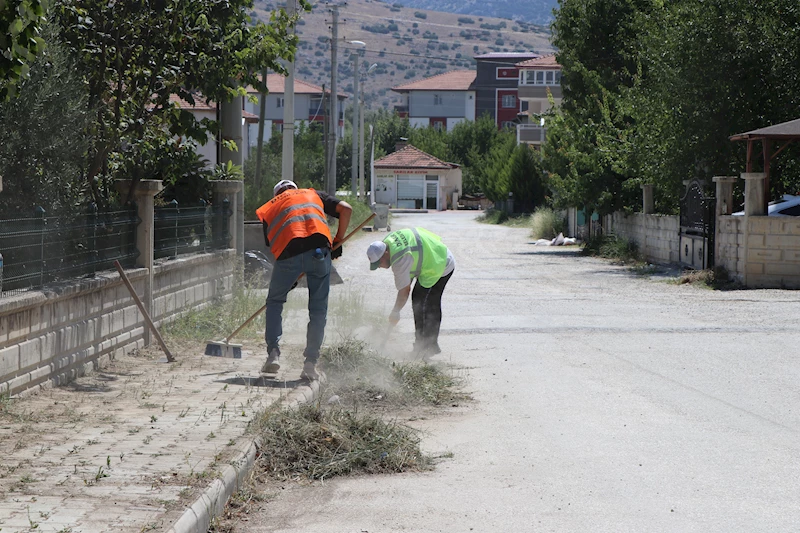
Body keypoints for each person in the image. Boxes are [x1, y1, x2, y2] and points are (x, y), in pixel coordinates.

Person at [256, 179, 352, 380]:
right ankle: (310, 365)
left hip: (288, 255)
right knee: (318, 311)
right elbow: (346, 209)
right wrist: (338, 240)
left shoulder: (271, 207)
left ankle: (273, 354)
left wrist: (288, 278)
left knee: (275, 302)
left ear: (277, 194)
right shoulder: (313, 194)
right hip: (319, 252)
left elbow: (276, 245)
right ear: (295, 188)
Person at [366, 227, 454, 357]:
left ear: (385, 254)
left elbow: (404, 291)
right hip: (433, 255)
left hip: (440, 263)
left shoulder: (399, 258)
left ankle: (425, 347)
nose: (379, 266)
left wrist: (395, 311)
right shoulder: (388, 243)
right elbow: (407, 280)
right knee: (422, 301)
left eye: (379, 263)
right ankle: (425, 346)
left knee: (423, 302)